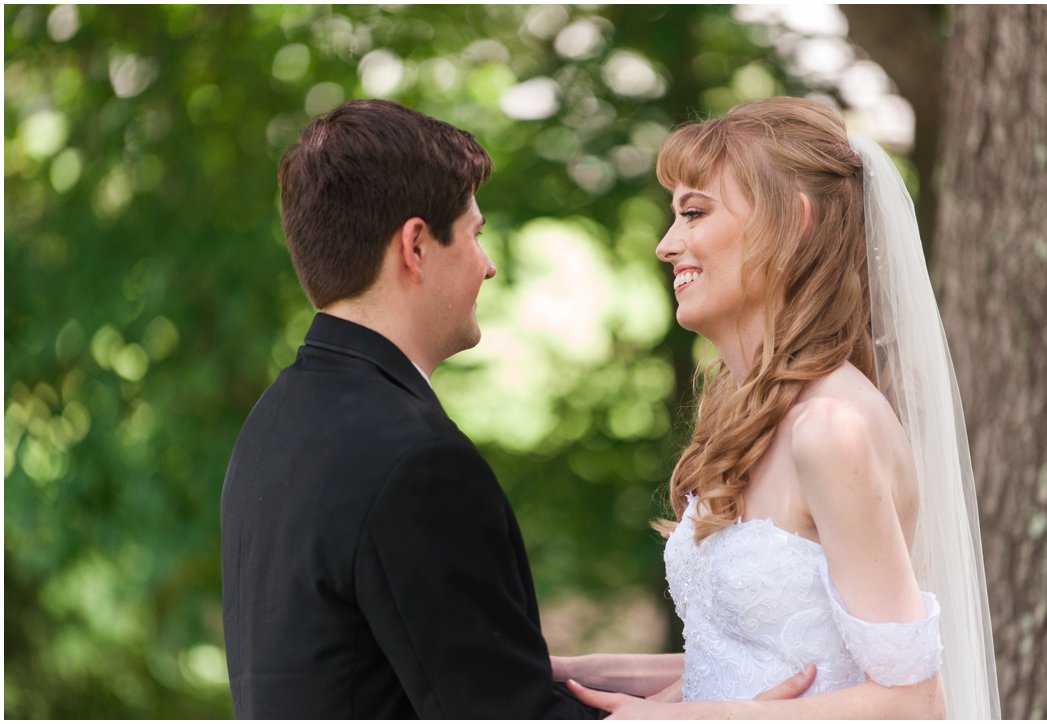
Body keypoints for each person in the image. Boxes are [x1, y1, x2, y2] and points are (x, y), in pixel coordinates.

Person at [555, 97, 1000, 719]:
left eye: (694, 213)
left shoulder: (832, 428)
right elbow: (759, 656)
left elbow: (912, 702)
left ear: (792, 222)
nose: (666, 245)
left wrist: (671, 718)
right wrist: (567, 673)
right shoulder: (743, 408)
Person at [219, 99, 608, 718]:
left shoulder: (274, 422)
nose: (488, 266)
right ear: (417, 247)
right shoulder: (415, 462)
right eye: (476, 235)